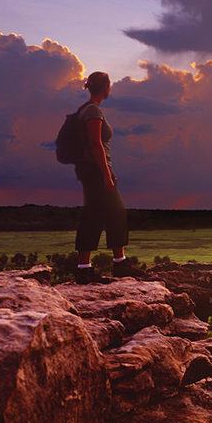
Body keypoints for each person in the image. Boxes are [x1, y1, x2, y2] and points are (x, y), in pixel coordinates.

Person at [72, 71, 142, 282]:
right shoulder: (92, 110)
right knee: (106, 214)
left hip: (94, 169)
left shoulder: (87, 109)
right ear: (106, 88)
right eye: (109, 86)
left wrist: (108, 171)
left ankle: (107, 265)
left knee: (110, 213)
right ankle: (90, 268)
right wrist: (105, 174)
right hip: (95, 169)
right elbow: (95, 144)